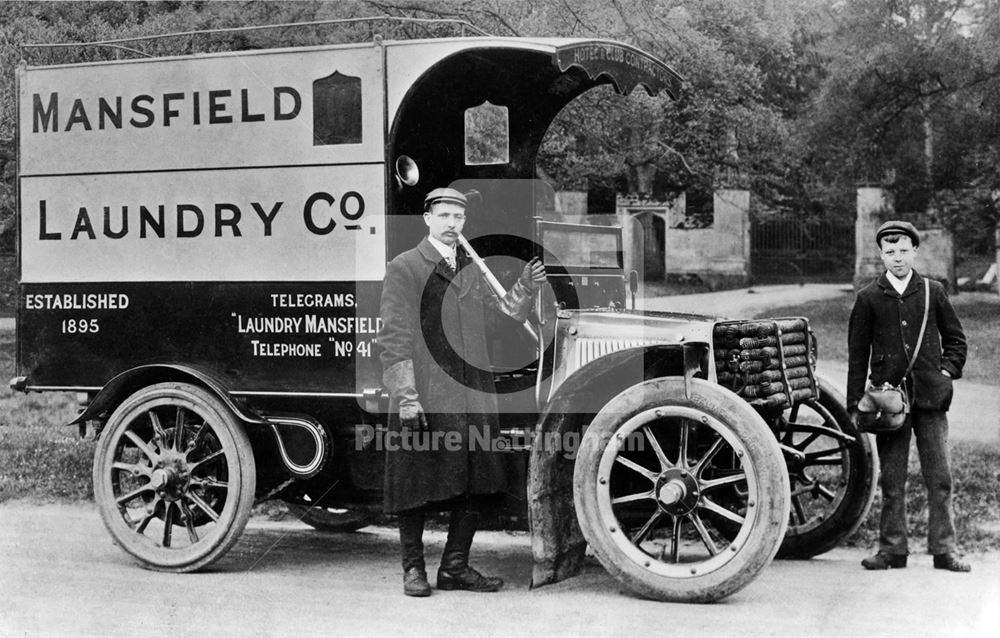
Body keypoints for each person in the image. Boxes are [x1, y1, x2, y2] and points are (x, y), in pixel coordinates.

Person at [378, 186, 546, 597]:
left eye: (460, 218)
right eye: (445, 216)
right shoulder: (405, 267)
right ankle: (412, 570)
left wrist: (525, 288)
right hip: (426, 394)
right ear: (427, 219)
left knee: (478, 480)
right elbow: (394, 338)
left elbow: (499, 323)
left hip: (472, 395)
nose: (453, 224)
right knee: (414, 485)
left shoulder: (472, 268)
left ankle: (454, 567)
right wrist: (407, 396)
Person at [847, 220, 970, 572]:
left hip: (931, 400)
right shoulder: (869, 297)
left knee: (940, 477)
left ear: (914, 251)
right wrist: (856, 402)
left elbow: (956, 340)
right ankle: (892, 550)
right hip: (888, 404)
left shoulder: (933, 291)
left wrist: (945, 372)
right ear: (881, 255)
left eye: (903, 251)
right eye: (890, 252)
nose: (897, 258)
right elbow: (857, 356)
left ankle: (945, 550)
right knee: (892, 479)